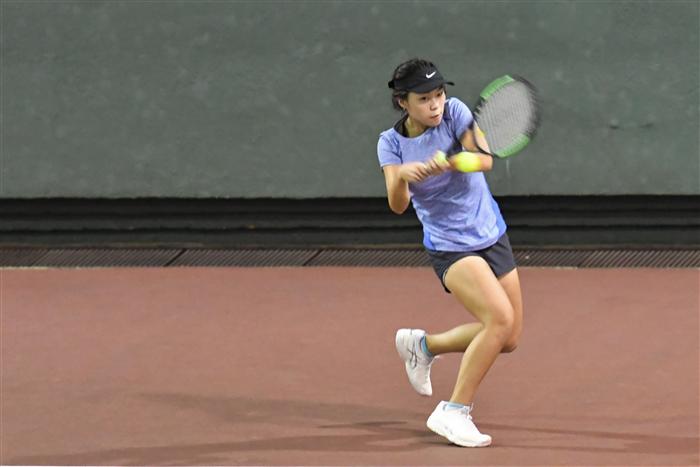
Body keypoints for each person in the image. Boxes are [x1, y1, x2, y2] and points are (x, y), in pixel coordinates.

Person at [377, 58, 524, 448]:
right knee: (498, 320)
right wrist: (403, 176)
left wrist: (449, 162)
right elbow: (397, 204)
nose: (435, 105)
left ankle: (422, 346)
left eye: (439, 94)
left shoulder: (455, 113)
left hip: (491, 234)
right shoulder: (390, 144)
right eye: (424, 99)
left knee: (509, 336)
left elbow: (484, 159)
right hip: (450, 246)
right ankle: (454, 411)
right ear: (403, 102)